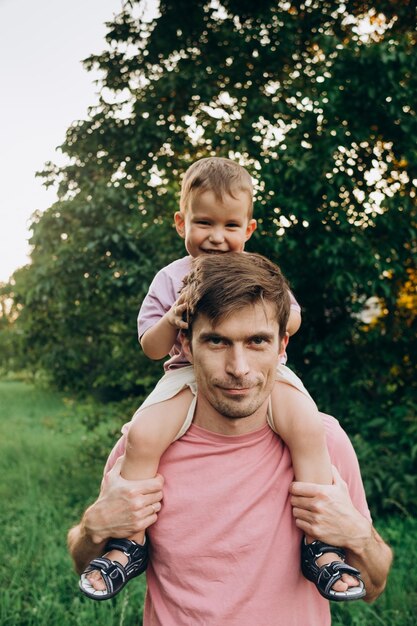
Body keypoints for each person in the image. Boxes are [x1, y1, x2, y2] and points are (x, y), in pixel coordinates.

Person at [79, 158, 363, 601]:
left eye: (230, 225)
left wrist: (274, 314)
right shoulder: (171, 277)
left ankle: (320, 546)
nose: (216, 235)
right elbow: (151, 347)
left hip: (266, 376)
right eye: (203, 222)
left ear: (248, 229)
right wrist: (174, 318)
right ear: (181, 222)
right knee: (143, 436)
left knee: (307, 425)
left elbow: (293, 320)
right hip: (185, 376)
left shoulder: (257, 274)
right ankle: (127, 544)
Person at [69, 252, 392, 625]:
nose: (239, 368)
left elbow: (373, 585)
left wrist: (357, 535)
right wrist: (93, 528)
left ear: (282, 345)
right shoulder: (145, 445)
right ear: (187, 346)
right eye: (217, 342)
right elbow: (86, 562)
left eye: (257, 341)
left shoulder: (325, 441)